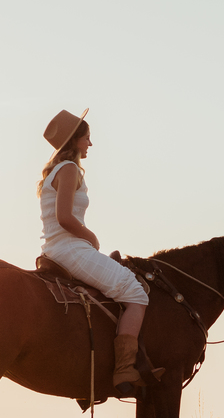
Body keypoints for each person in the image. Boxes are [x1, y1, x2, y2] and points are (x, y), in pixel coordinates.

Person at [39, 107, 154, 395]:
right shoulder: (68, 169)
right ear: (75, 140)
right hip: (69, 248)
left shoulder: (58, 169)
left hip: (59, 247)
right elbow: (65, 218)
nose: (90, 144)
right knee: (137, 294)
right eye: (87, 138)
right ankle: (124, 369)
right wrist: (90, 236)